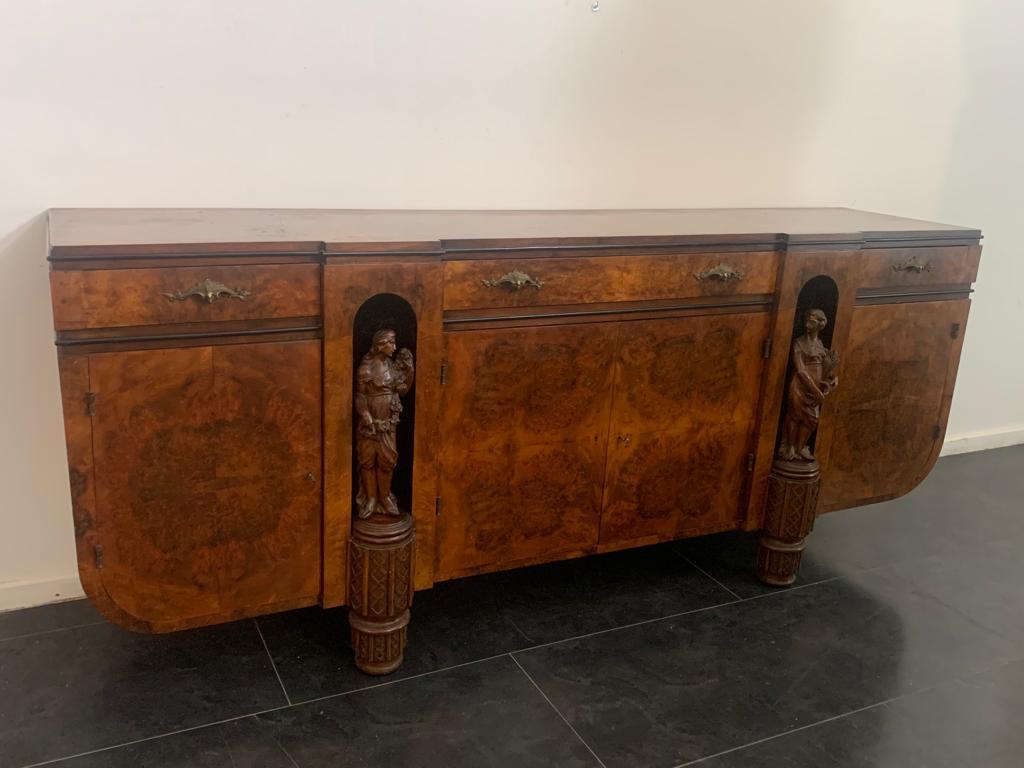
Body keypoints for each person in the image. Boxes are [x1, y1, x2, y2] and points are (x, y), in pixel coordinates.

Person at [354, 329, 414, 518]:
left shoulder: (392, 366)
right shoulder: (366, 368)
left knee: (387, 462)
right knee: (367, 461)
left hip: (388, 424)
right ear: (381, 344)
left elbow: (403, 391)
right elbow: (360, 395)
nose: (395, 347)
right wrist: (365, 415)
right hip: (370, 425)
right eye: (391, 343)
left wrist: (410, 371)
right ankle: (371, 499)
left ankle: (385, 497)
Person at [778, 308, 839, 462]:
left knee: (812, 419)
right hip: (799, 387)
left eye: (811, 322)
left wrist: (832, 378)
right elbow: (801, 370)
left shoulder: (820, 344)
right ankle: (790, 447)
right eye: (806, 321)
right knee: (794, 416)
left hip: (815, 388)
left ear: (820, 324)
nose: (807, 325)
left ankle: (800, 447)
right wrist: (816, 391)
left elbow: (825, 367)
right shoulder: (799, 343)